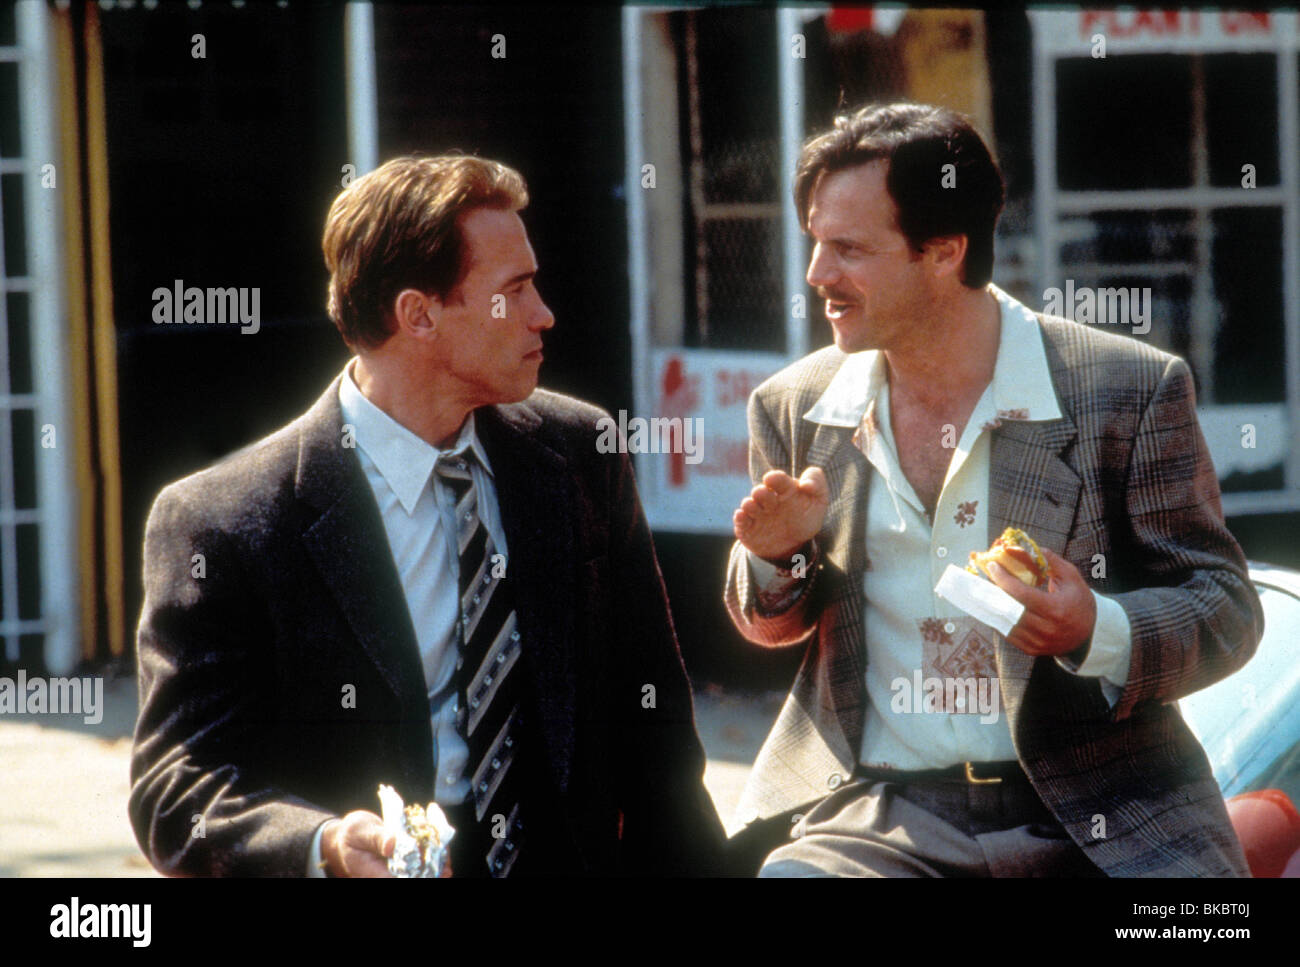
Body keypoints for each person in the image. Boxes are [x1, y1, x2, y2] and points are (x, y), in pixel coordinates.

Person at [129, 155, 725, 877]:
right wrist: (324, 846)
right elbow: (177, 787)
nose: (543, 313)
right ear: (419, 315)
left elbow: (657, 736)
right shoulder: (225, 522)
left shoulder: (579, 453)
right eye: (514, 291)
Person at [723, 103, 1263, 877]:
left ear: (944, 252)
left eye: (848, 248)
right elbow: (770, 622)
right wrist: (777, 556)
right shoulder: (794, 405)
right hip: (885, 821)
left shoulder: (1127, 389)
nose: (817, 275)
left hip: (1109, 814)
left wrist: (1096, 627)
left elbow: (1226, 607)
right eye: (816, 241)